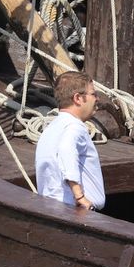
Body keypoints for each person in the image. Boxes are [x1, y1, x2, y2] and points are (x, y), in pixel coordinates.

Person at [34, 70, 105, 212]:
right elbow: (66, 151)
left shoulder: (51, 128)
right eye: (93, 94)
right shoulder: (75, 127)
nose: (97, 98)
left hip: (52, 207)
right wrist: (80, 197)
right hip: (74, 212)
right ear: (78, 98)